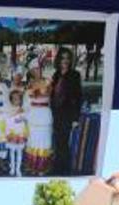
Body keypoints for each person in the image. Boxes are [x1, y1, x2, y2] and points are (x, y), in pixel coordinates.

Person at [49, 47, 83, 175]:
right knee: (58, 141)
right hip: (55, 113)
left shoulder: (75, 75)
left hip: (68, 114)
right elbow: (52, 93)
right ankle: (58, 166)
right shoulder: (56, 74)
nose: (65, 60)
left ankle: (63, 169)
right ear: (58, 59)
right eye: (63, 58)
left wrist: (75, 118)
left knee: (63, 141)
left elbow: (78, 97)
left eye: (68, 58)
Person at [23, 66, 52, 175]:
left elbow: (51, 98)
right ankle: (32, 166)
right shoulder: (29, 87)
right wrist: (26, 116)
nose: (37, 71)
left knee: (44, 141)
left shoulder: (48, 83)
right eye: (34, 69)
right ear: (31, 72)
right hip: (33, 117)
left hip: (45, 116)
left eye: (39, 69)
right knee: (33, 141)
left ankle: (42, 167)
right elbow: (26, 104)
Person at [3, 89, 28, 177]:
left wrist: (22, 118)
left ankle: (18, 169)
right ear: (11, 100)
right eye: (14, 99)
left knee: (19, 151)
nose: (16, 101)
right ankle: (12, 168)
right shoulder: (9, 109)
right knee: (12, 152)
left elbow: (25, 119)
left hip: (20, 132)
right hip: (12, 133)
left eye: (18, 99)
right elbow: (7, 120)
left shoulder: (22, 109)